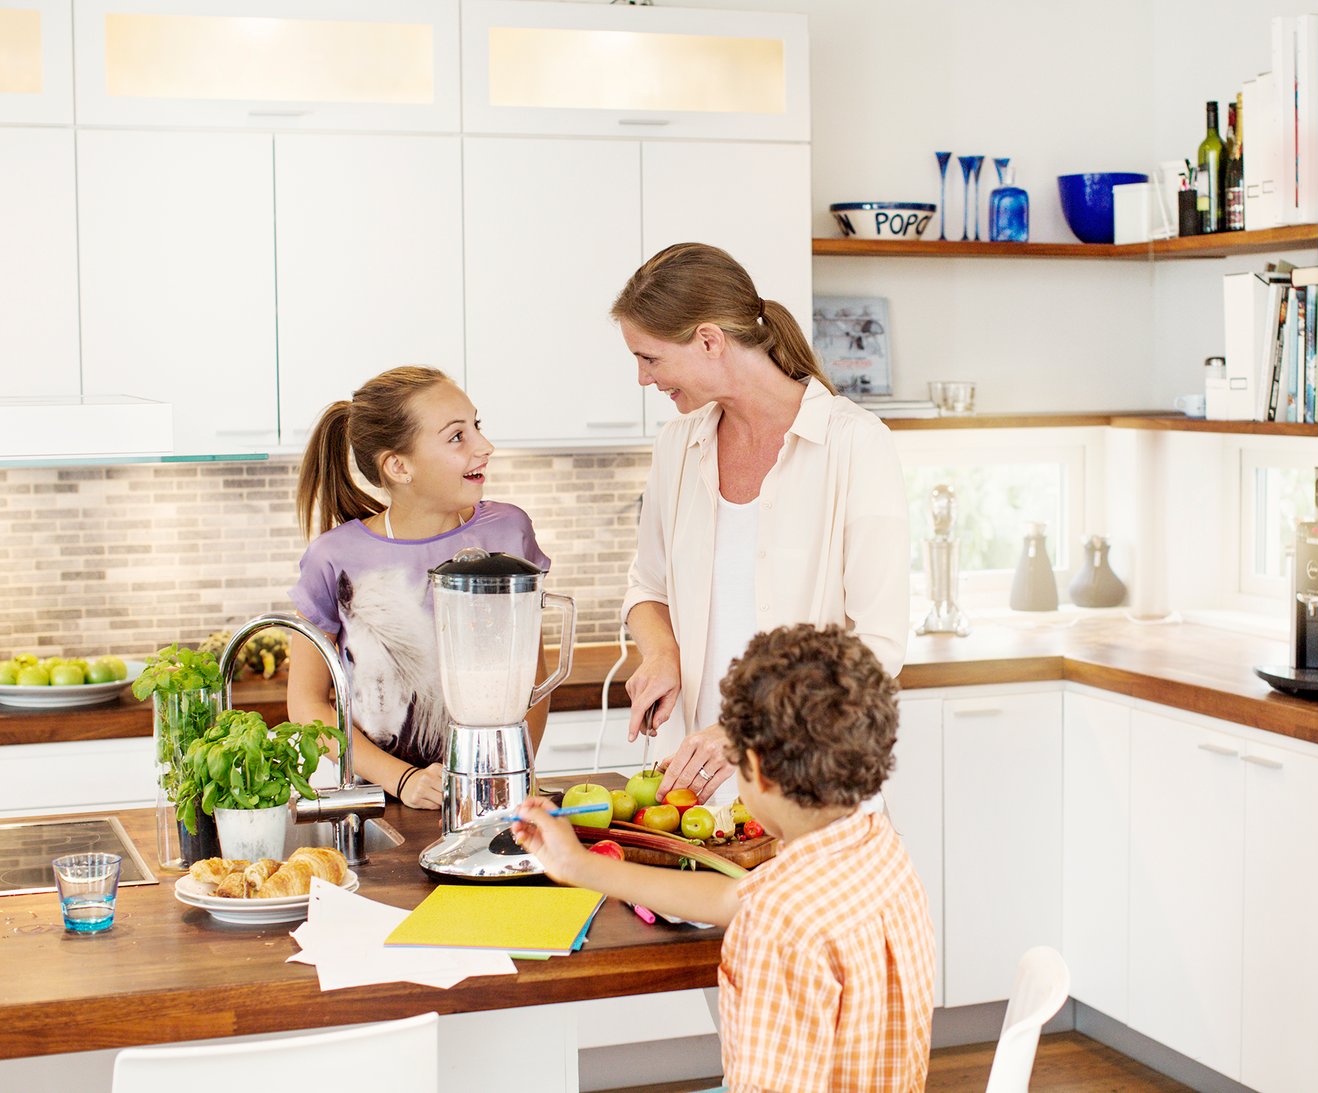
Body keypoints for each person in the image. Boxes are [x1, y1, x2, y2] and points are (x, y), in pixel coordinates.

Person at [514, 624, 934, 1092]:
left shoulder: (780, 924)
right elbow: (737, 897)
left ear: (754, 769)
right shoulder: (876, 849)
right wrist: (579, 865)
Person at [614, 242, 909, 807]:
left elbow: (877, 647)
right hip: (689, 791)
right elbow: (647, 588)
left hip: (806, 790)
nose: (642, 378)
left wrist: (749, 732)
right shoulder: (678, 444)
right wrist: (661, 654)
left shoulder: (854, 444)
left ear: (709, 341)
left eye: (649, 358)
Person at [288, 365, 550, 809]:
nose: (485, 447)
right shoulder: (334, 558)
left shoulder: (509, 532)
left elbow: (531, 677)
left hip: (493, 791)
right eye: (456, 436)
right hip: (382, 800)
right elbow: (307, 702)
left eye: (476, 427)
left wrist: (509, 773)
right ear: (398, 466)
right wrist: (403, 780)